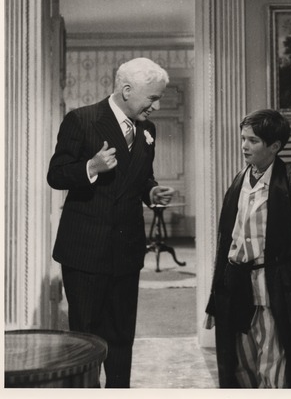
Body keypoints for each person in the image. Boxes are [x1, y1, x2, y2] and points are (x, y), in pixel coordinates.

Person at [47, 57, 174, 388]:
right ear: (127, 90)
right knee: (86, 340)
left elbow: (141, 176)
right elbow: (56, 174)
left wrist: (152, 191)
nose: (157, 106)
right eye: (153, 98)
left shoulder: (147, 130)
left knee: (121, 338)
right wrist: (90, 166)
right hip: (86, 251)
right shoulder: (82, 120)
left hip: (126, 249)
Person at [205, 109, 291, 388]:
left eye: (253, 141)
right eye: (243, 139)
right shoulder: (239, 181)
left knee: (273, 369)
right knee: (241, 367)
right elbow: (227, 244)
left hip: (273, 292)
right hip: (236, 290)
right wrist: (215, 300)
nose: (244, 146)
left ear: (275, 146)